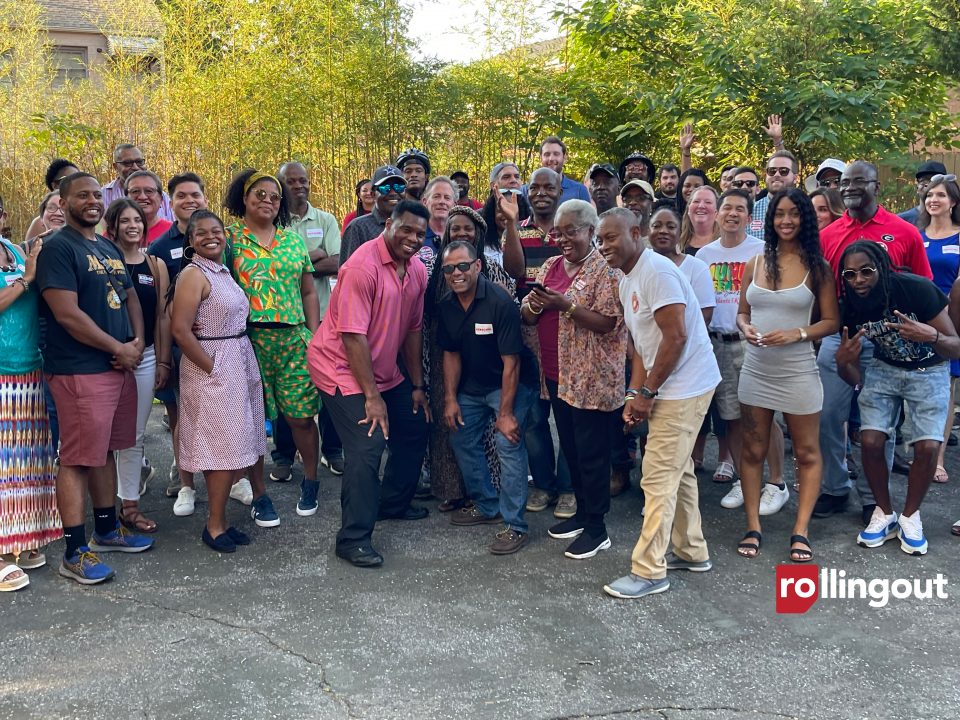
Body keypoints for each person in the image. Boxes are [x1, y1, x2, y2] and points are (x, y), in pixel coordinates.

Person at [35, 172, 153, 585]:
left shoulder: (105, 246)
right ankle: (74, 551)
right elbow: (67, 313)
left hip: (119, 365)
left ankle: (106, 530)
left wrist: (137, 340)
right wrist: (115, 347)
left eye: (95, 195)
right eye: (81, 195)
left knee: (103, 451)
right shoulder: (57, 248)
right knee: (77, 459)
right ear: (63, 202)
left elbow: (129, 295)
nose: (91, 201)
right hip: (80, 369)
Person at [598, 208, 720, 599]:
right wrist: (636, 394)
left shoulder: (658, 272)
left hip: (686, 386)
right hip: (665, 385)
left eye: (610, 238)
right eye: (600, 240)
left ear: (636, 233)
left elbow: (676, 338)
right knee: (678, 471)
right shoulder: (626, 279)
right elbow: (639, 347)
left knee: (658, 475)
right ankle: (692, 550)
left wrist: (648, 393)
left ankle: (650, 571)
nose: (603, 247)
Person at [307, 200, 431, 568]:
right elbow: (352, 337)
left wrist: (417, 386)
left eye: (420, 234)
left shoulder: (417, 270)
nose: (412, 238)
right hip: (340, 366)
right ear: (388, 225)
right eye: (405, 229)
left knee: (414, 423)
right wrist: (372, 398)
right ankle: (353, 538)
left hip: (381, 368)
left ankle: (391, 504)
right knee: (367, 443)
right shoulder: (362, 266)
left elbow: (412, 331)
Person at [814, 161, 933, 522]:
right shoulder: (828, 234)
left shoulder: (904, 232)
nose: (849, 187)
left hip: (888, 342)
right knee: (826, 416)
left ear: (876, 187)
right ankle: (835, 487)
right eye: (845, 183)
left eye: (858, 182)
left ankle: (874, 498)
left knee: (879, 425)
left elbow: (923, 287)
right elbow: (823, 291)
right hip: (840, 337)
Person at [734, 189, 840, 561]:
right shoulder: (755, 261)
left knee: (808, 452)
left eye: (794, 214)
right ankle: (752, 526)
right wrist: (745, 328)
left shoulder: (818, 266)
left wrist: (797, 333)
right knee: (753, 448)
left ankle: (801, 529)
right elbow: (743, 312)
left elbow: (831, 321)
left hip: (797, 371)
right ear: (771, 218)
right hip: (757, 368)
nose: (786, 221)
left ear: (804, 219)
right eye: (780, 214)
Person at [836, 241, 960, 555]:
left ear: (881, 267)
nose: (859, 280)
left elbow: (955, 346)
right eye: (850, 275)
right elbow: (853, 380)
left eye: (866, 271)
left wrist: (929, 335)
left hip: (929, 369)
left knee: (928, 445)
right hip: (884, 368)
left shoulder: (915, 289)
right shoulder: (848, 304)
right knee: (872, 440)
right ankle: (884, 512)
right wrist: (844, 362)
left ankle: (910, 515)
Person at [521, 200, 627, 559]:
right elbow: (531, 311)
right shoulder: (550, 265)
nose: (563, 238)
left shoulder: (606, 269)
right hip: (556, 373)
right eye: (559, 232)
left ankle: (598, 528)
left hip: (592, 377)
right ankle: (582, 515)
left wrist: (563, 305)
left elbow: (609, 322)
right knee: (571, 447)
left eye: (571, 231)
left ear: (589, 231)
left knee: (592, 454)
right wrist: (533, 307)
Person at [223, 168, 321, 524]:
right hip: (249, 339)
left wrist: (313, 334)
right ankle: (259, 493)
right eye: (259, 194)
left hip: (293, 338)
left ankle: (311, 480)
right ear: (244, 198)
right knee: (252, 422)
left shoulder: (292, 240)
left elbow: (308, 290)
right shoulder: (230, 238)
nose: (267, 200)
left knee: (300, 416)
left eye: (274, 196)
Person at [171, 210, 267, 553]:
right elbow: (180, 330)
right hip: (214, 365)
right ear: (191, 240)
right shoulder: (193, 274)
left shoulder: (222, 271)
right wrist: (211, 366)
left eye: (217, 231)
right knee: (221, 448)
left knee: (237, 442)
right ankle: (213, 527)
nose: (212, 237)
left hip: (236, 358)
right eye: (202, 233)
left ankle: (221, 521)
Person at [439, 241, 539, 553]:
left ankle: (515, 526)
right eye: (449, 269)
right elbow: (451, 354)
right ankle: (486, 505)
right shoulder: (447, 305)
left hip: (511, 384)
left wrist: (506, 414)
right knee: (460, 435)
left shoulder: (500, 302)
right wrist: (451, 398)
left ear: (478, 266)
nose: (456, 273)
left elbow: (513, 362)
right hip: (472, 387)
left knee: (506, 443)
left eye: (463, 266)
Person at [424, 206, 513, 512]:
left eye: (468, 228)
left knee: (492, 434)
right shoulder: (438, 266)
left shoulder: (491, 271)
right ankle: (453, 489)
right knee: (449, 423)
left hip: (491, 362)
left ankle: (494, 497)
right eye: (455, 228)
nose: (462, 233)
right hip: (444, 354)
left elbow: (511, 305)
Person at [503, 167, 573, 517]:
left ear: (561, 190)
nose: (542, 192)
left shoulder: (569, 230)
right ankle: (544, 484)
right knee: (532, 415)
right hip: (529, 332)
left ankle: (568, 488)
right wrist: (513, 224)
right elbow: (515, 271)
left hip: (568, 333)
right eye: (536, 187)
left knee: (568, 414)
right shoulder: (520, 228)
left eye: (550, 187)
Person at [103, 198, 170, 531]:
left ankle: (129, 506)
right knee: (100, 437)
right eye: (124, 220)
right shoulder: (99, 260)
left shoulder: (154, 265)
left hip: (145, 358)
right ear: (112, 225)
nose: (133, 226)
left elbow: (160, 316)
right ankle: (99, 509)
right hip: (102, 359)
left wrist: (163, 360)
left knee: (133, 435)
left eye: (138, 220)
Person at [273, 161, 344, 479]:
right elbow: (271, 267)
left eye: (303, 180)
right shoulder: (273, 222)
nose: (299, 186)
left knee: (330, 387)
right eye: (291, 181)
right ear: (280, 185)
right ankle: (284, 455)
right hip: (284, 320)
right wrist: (313, 255)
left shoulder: (326, 219)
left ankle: (332, 450)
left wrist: (296, 262)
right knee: (283, 390)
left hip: (323, 318)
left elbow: (338, 260)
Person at [0, 233, 61, 591]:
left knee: (25, 464)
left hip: (28, 370)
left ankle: (18, 540)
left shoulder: (14, 251)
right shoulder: (25, 267)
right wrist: (27, 279)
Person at [147, 172, 212, 499]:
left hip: (220, 343)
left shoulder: (219, 237)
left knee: (222, 411)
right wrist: (163, 357)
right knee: (180, 415)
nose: (189, 201)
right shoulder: (159, 247)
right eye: (182, 196)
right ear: (170, 204)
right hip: (179, 346)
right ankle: (184, 477)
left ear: (204, 198)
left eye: (195, 195)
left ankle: (233, 475)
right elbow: (160, 308)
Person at [916, 173, 960, 483]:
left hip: (951, 321)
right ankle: (916, 450)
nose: (934, 199)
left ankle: (938, 457)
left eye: (941, 195)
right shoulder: (915, 235)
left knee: (945, 391)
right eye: (930, 195)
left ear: (953, 202)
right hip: (916, 320)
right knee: (916, 388)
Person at [648, 201, 715, 325]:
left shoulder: (697, 268)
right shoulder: (640, 266)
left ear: (680, 232)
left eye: (671, 227)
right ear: (648, 231)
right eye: (656, 226)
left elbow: (705, 316)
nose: (663, 231)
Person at [339, 165, 406, 265]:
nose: (393, 193)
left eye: (399, 187)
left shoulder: (412, 225)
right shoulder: (358, 228)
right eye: (385, 188)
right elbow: (348, 273)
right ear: (374, 194)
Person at [102, 144, 173, 221]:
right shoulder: (103, 195)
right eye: (128, 163)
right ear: (115, 166)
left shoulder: (161, 196)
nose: (135, 167)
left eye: (139, 162)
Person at [528, 136, 591, 205]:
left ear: (564, 158)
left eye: (556, 154)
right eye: (547, 154)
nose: (551, 158)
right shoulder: (527, 191)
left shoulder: (579, 191)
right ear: (541, 158)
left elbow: (587, 215)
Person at [24, 159, 77, 240]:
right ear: (55, 186)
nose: (78, 185)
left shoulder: (92, 217)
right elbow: (28, 250)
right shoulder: (42, 222)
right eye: (70, 180)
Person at [124, 170, 173, 246]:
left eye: (149, 191)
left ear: (161, 199)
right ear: (126, 198)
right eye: (135, 191)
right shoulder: (113, 235)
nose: (142, 197)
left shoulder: (174, 232)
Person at [899, 161, 947, 228]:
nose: (929, 185)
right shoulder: (902, 220)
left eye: (935, 181)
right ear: (917, 187)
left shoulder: (955, 220)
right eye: (923, 181)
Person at [421, 176, 458, 259]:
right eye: (436, 196)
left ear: (455, 205)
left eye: (447, 198)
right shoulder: (415, 236)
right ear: (425, 202)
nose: (442, 202)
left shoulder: (461, 237)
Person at [679, 185, 720, 255]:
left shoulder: (726, 243)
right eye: (696, 201)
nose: (701, 206)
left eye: (708, 202)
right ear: (688, 209)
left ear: (717, 210)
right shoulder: (677, 243)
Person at [730, 167, 763, 237]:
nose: (744, 187)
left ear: (758, 189)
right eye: (739, 183)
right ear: (733, 188)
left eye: (750, 183)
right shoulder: (724, 212)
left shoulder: (767, 211)